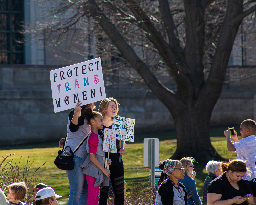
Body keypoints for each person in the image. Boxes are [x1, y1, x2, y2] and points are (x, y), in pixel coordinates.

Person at [65, 101, 95, 205]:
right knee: (76, 190)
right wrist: (77, 112)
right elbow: (73, 128)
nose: (93, 101)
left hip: (87, 157)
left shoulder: (90, 114)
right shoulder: (75, 112)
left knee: (85, 190)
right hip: (76, 156)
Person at [80, 108, 111, 205]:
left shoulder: (97, 136)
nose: (103, 122)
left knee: (96, 197)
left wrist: (106, 163)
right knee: (92, 197)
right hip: (93, 171)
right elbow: (92, 157)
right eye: (100, 120)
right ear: (93, 122)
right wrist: (104, 170)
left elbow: (98, 155)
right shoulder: (93, 137)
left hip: (96, 171)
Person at [98, 98, 125, 205]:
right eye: (111, 106)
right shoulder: (98, 123)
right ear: (105, 108)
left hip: (116, 162)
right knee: (103, 193)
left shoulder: (119, 123)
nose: (114, 108)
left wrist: (122, 149)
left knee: (119, 192)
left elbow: (121, 142)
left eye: (115, 106)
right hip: (102, 163)